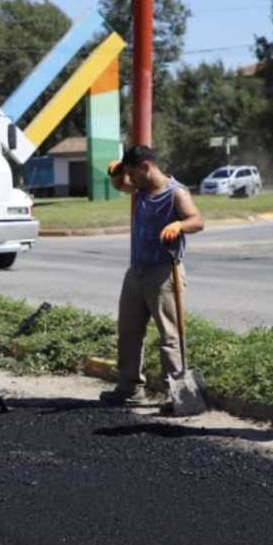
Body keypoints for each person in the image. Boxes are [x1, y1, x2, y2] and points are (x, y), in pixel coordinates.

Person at [100, 145, 204, 410]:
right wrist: (116, 172)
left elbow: (197, 220)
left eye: (133, 174)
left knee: (170, 337)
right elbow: (119, 185)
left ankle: (179, 397)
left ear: (146, 167)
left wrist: (179, 224)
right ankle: (129, 388)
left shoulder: (175, 193)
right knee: (128, 332)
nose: (130, 181)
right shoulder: (141, 189)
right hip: (136, 272)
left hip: (164, 273)